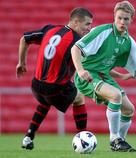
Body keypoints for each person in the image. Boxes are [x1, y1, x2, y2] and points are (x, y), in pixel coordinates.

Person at [71, 1, 136, 152]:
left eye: (126, 19)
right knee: (115, 96)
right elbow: (75, 49)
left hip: (103, 76)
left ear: (131, 20)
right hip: (87, 75)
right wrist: (80, 70)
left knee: (129, 109)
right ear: (114, 16)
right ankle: (114, 139)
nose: (122, 22)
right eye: (119, 18)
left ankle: (120, 142)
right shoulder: (102, 32)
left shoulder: (129, 43)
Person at [16, 7, 93, 150]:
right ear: (76, 22)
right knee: (79, 97)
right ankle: (83, 138)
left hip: (36, 86)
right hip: (56, 89)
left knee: (45, 102)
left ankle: (28, 136)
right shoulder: (77, 42)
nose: (90, 28)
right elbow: (82, 63)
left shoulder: (49, 30)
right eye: (87, 24)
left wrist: (22, 62)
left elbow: (24, 39)